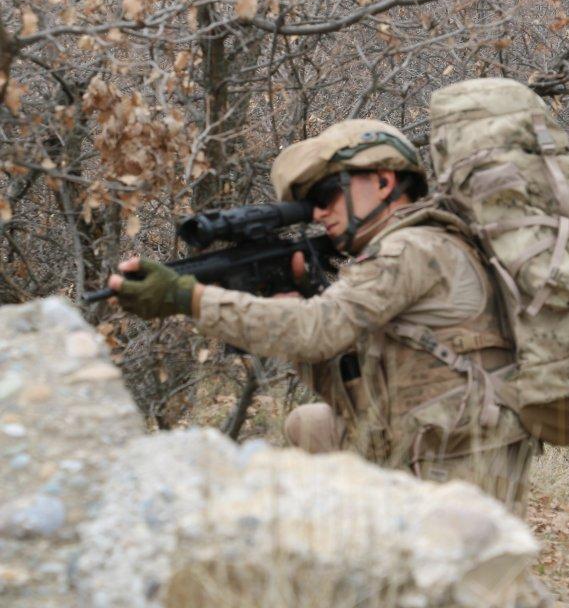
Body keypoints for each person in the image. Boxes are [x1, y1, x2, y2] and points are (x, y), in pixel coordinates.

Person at [106, 120, 535, 512]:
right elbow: (350, 388)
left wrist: (188, 297)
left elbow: (315, 331)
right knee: (309, 425)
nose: (318, 213)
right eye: (309, 204)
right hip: (435, 440)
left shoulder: (411, 249)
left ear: (384, 182)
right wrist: (301, 297)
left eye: (327, 195)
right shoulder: (415, 246)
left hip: (461, 463)